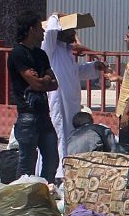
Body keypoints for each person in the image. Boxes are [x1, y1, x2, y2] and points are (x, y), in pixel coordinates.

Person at [40, 13, 111, 178]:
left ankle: (66, 171)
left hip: (71, 102)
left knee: (71, 135)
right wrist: (55, 16)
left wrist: (94, 66)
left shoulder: (67, 52)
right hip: (57, 102)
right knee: (59, 135)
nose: (74, 34)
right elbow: (50, 31)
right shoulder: (50, 49)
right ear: (60, 31)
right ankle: (56, 174)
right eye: (70, 30)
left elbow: (76, 72)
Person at [9, 12, 60, 181]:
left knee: (52, 159)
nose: (43, 31)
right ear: (31, 29)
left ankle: (44, 191)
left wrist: (43, 78)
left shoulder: (40, 54)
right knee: (27, 164)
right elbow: (37, 84)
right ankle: (23, 200)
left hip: (44, 115)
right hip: (27, 116)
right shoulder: (18, 53)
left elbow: (54, 83)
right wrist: (43, 80)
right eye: (40, 27)